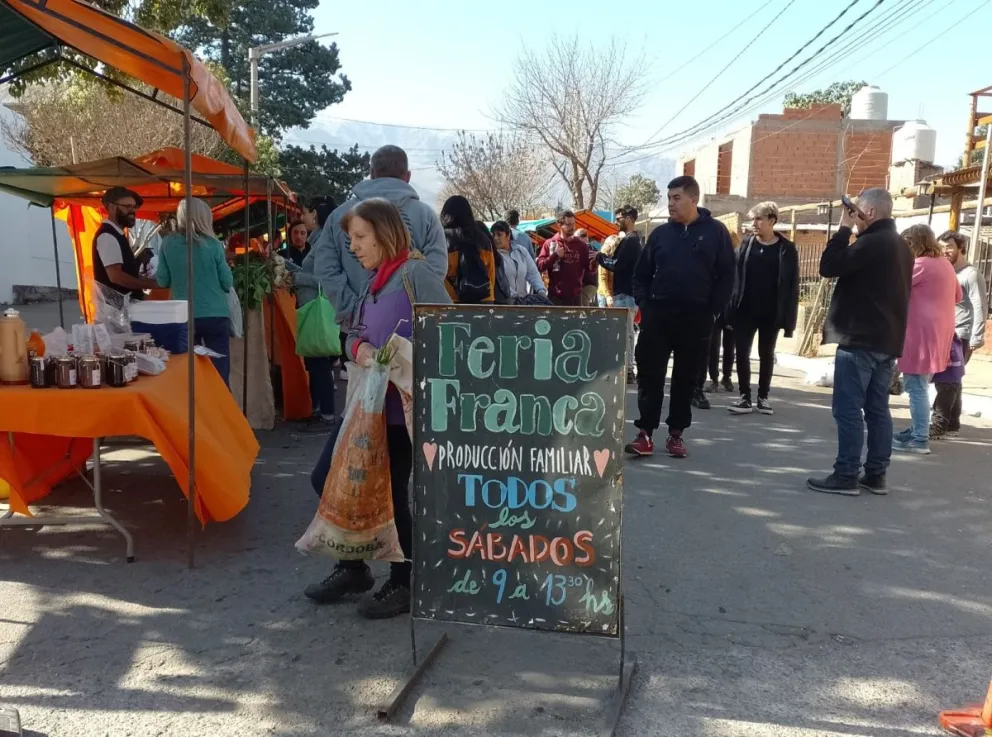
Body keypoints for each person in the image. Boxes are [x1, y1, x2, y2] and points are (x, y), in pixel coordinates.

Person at [303, 198, 451, 619]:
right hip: (365, 405)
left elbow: (452, 331)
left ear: (385, 234)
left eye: (360, 237)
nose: (354, 247)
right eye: (351, 238)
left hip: (400, 410)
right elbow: (346, 336)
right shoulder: (372, 282)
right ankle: (353, 567)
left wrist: (407, 356)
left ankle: (405, 582)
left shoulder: (415, 274)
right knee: (327, 479)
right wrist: (360, 347)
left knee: (389, 496)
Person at [806, 189, 913, 496]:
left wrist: (843, 227)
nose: (854, 217)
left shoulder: (873, 242)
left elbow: (828, 266)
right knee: (878, 409)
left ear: (871, 212)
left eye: (858, 211)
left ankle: (846, 474)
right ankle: (876, 474)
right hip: (886, 341)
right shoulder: (901, 246)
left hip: (860, 340)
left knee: (848, 409)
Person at [626, 175, 735, 459]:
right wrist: (645, 305)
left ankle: (676, 434)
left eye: (676, 198)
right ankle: (645, 433)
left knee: (685, 378)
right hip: (658, 316)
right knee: (650, 376)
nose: (671, 204)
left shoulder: (716, 232)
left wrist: (712, 311)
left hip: (695, 318)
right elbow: (641, 275)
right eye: (669, 198)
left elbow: (727, 277)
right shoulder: (660, 234)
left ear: (693, 199)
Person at [314, 145, 447, 333]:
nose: (354, 246)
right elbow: (436, 269)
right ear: (407, 176)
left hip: (356, 328)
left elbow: (325, 269)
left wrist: (356, 310)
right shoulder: (426, 216)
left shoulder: (338, 216)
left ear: (371, 173)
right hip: (412, 331)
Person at [892, 224, 961, 455]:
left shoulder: (920, 264)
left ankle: (920, 438)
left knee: (916, 387)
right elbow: (958, 296)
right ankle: (916, 429)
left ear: (915, 243)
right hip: (940, 336)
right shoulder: (945, 265)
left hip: (920, 335)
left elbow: (896, 286)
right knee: (919, 384)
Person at [726, 201, 799, 416]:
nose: (754, 223)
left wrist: (788, 318)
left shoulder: (786, 249)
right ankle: (745, 397)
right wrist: (730, 307)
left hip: (771, 312)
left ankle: (763, 397)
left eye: (758, 219)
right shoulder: (746, 244)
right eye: (753, 219)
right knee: (742, 353)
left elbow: (792, 285)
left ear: (772, 221)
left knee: (766, 354)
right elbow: (734, 276)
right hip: (745, 309)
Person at [156, 198, 235, 385]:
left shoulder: (167, 243)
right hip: (216, 315)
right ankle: (221, 410)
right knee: (219, 373)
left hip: (184, 316)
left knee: (188, 373)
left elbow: (162, 281)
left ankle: (194, 410)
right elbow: (227, 282)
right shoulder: (214, 245)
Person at [931, 230, 989, 438]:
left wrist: (977, 336)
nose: (945, 251)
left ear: (960, 248)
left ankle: (938, 424)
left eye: (949, 247)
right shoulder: (947, 271)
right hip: (946, 332)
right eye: (942, 246)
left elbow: (980, 306)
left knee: (947, 380)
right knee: (954, 379)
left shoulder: (971, 274)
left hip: (962, 334)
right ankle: (952, 425)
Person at [295, 196, 339, 431]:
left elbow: (322, 278)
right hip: (312, 305)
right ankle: (321, 409)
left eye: (305, 213)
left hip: (316, 306)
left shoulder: (323, 241)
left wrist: (295, 277)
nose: (302, 218)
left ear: (315, 214)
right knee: (315, 361)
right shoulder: (320, 239)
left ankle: (327, 412)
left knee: (318, 360)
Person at [594, 206, 643, 382]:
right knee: (628, 334)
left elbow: (617, 264)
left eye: (619, 217)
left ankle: (626, 370)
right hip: (628, 296)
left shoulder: (630, 241)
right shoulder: (634, 240)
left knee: (624, 335)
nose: (616, 221)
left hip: (624, 295)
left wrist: (600, 257)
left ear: (629, 218)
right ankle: (627, 369)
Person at [93, 186, 159, 299]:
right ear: (111, 207)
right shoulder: (108, 236)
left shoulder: (117, 234)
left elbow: (127, 273)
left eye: (134, 207)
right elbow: (117, 277)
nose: (133, 211)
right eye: (127, 207)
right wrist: (151, 284)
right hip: (116, 311)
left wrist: (148, 281)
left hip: (123, 309)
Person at [440, 195, 496, 304]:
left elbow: (439, 272)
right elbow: (491, 274)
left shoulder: (442, 237)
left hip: (452, 300)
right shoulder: (483, 239)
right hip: (484, 299)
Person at [536, 210, 595, 306]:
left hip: (575, 296)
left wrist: (594, 263)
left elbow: (589, 269)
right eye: (568, 224)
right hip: (555, 296)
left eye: (573, 224)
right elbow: (540, 266)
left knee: (575, 321)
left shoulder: (581, 245)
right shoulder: (550, 243)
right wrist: (554, 256)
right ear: (559, 225)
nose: (572, 227)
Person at [490, 220, 546, 302]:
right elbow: (500, 282)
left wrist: (541, 290)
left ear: (508, 235)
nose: (495, 238)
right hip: (504, 304)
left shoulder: (521, 251)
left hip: (523, 303)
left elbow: (533, 273)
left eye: (499, 235)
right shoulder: (493, 255)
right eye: (493, 235)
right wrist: (513, 297)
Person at [575, 228, 599, 306]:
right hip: (583, 284)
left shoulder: (590, 249)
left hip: (589, 284)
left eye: (576, 238)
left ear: (583, 238)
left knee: (583, 299)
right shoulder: (582, 249)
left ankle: (586, 317)